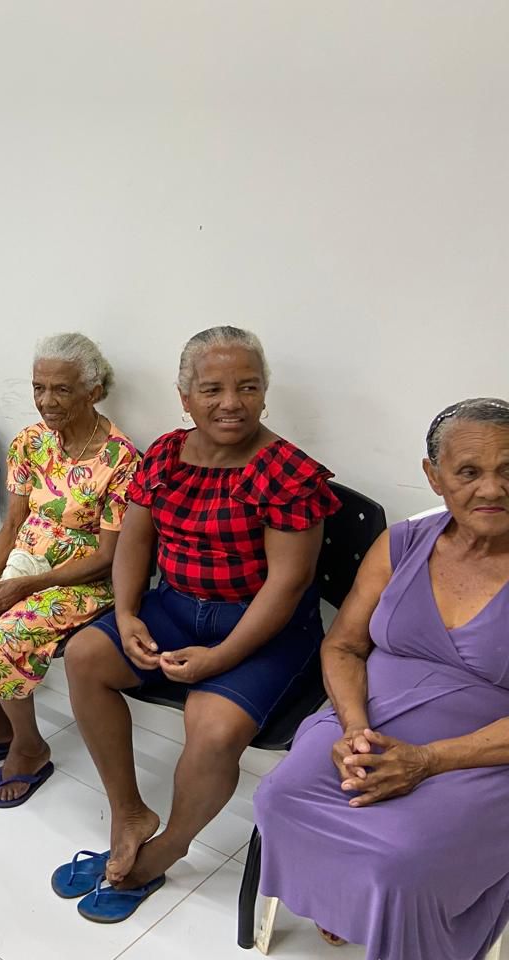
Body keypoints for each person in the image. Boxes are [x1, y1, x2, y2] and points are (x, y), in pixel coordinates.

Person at [59, 326, 340, 922]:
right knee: (84, 656)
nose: (231, 403)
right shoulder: (166, 454)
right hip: (176, 606)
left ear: (264, 393)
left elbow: (287, 586)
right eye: (212, 389)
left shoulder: (288, 472)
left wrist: (222, 657)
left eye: (247, 387)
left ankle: (166, 849)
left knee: (210, 726)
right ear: (185, 397)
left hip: (265, 626)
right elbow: (135, 541)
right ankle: (129, 814)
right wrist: (127, 614)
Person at [252, 398, 509, 960]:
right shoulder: (402, 544)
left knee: (404, 858)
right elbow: (344, 645)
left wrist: (428, 760)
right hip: (368, 717)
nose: (491, 489)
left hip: (486, 752)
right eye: (469, 472)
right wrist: (354, 730)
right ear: (434, 476)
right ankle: (342, 901)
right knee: (280, 797)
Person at [0, 333, 140, 808]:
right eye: (40, 387)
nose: (46, 401)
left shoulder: (121, 459)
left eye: (61, 389)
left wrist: (24, 587)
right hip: (22, 559)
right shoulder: (30, 442)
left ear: (93, 391)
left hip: (81, 578)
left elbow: (107, 557)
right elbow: (14, 522)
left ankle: (30, 746)